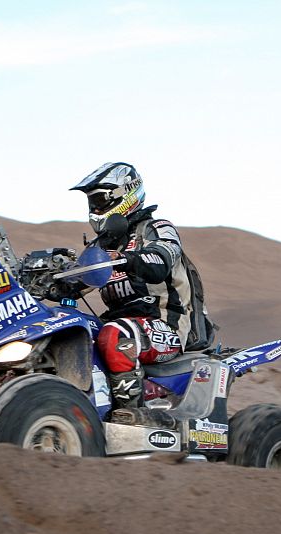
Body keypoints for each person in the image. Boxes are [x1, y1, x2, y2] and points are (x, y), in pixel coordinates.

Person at [71, 162, 199, 417]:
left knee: (115, 336)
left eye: (100, 200)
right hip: (126, 322)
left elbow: (160, 261)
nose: (95, 209)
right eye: (91, 202)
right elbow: (79, 283)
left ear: (125, 195)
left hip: (168, 323)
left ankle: (131, 414)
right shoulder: (102, 244)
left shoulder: (157, 228)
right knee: (73, 327)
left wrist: (130, 258)